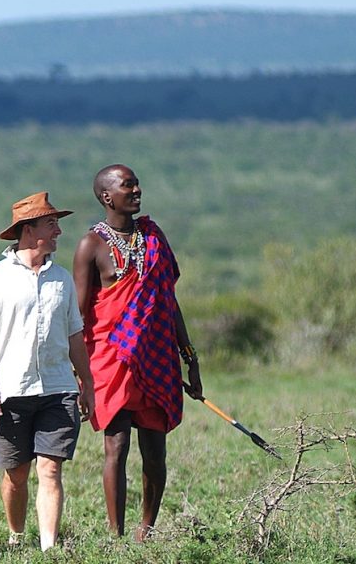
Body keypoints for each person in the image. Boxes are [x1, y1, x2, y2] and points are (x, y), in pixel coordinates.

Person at [73, 164, 204, 541]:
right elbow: (79, 316)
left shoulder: (154, 238)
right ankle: (114, 537)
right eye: (127, 186)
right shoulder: (90, 245)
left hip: (157, 357)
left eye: (137, 184)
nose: (136, 190)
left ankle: (146, 529)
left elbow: (168, 301)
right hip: (110, 359)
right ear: (106, 197)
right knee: (116, 445)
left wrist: (190, 359)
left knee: (155, 449)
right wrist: (80, 375)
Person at [0, 192, 95, 551]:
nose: (58, 232)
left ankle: (49, 548)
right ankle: (17, 535)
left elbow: (74, 335)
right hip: (12, 391)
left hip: (58, 388)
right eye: (51, 224)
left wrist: (87, 382)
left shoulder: (62, 279)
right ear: (28, 229)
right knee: (16, 475)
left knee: (50, 470)